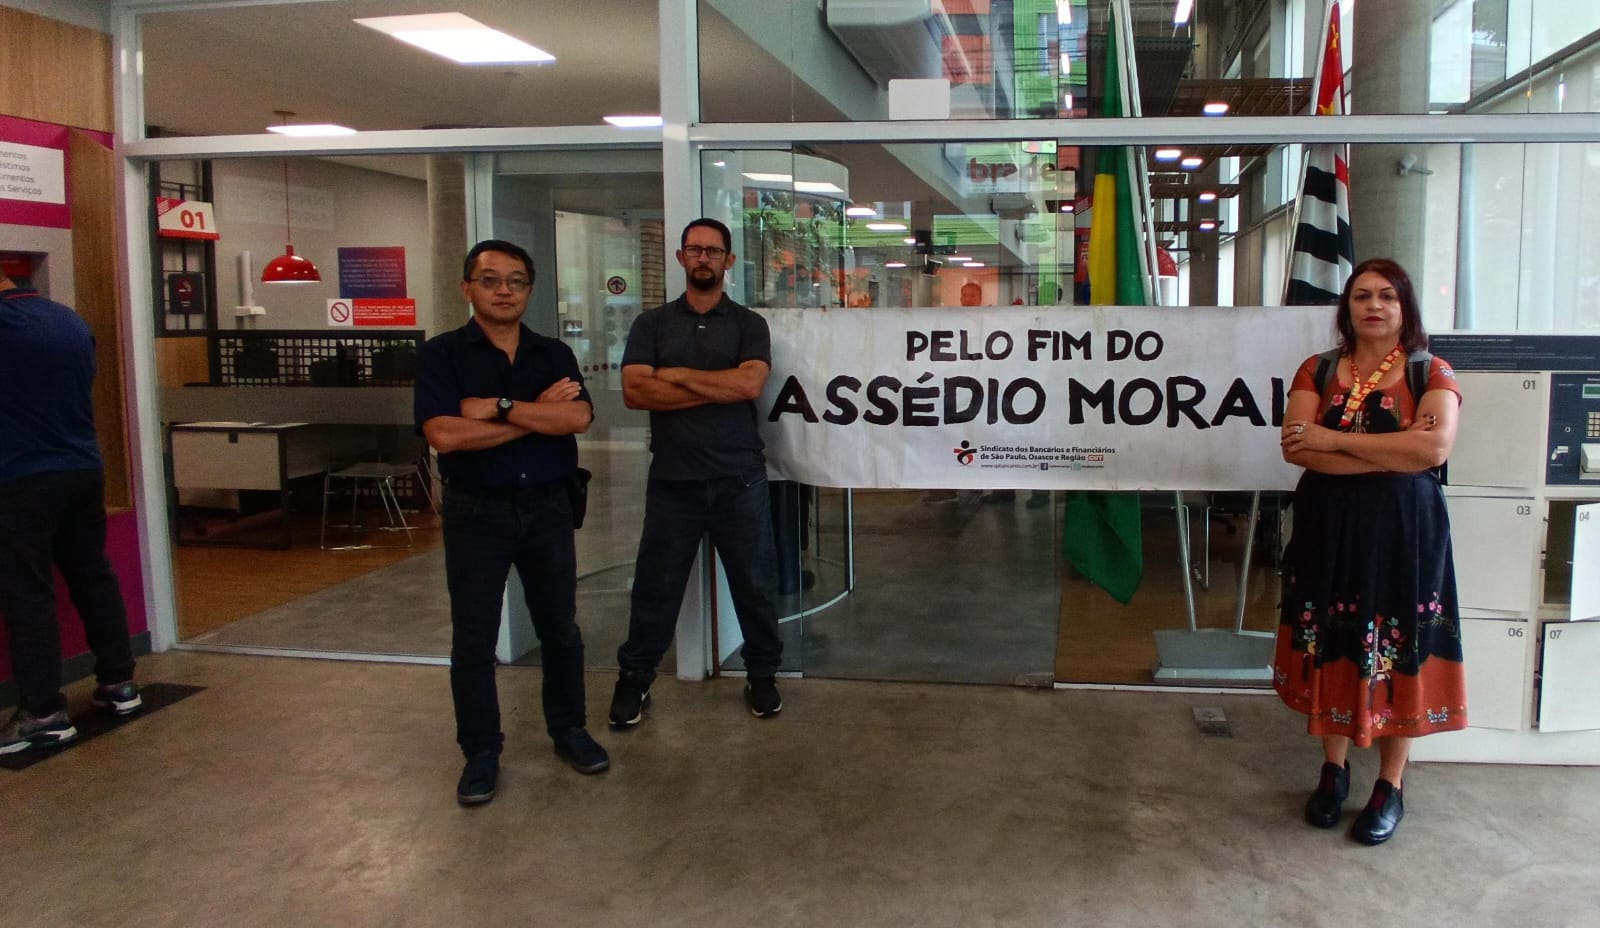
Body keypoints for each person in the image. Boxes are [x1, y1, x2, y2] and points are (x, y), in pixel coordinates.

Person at [1276, 257, 1466, 846]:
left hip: (1405, 533)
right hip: (1328, 526)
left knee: (1396, 642)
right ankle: (1333, 772)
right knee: (1335, 639)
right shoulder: (1319, 368)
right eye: (1361, 296)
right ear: (1347, 307)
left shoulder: (1431, 371)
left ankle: (1390, 785)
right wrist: (1392, 451)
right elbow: (1296, 448)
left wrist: (1337, 441)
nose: (1373, 306)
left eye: (1386, 296)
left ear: (1405, 306)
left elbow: (1432, 450)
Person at [415, 239, 609, 805]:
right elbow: (445, 435)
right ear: (467, 288)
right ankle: (481, 751)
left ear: (529, 289)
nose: (504, 290)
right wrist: (534, 416)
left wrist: (497, 408)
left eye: (516, 281)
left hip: (549, 507)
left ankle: (568, 729)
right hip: (477, 511)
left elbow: (576, 417)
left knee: (561, 628)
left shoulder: (553, 354)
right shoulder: (441, 356)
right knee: (474, 637)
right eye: (491, 279)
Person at [609, 218, 785, 725]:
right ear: (681, 258)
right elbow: (637, 391)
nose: (703, 258)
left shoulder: (750, 324)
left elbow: (749, 386)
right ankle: (635, 680)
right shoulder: (652, 325)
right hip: (673, 481)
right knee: (655, 587)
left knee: (754, 584)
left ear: (729, 261)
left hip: (739, 478)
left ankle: (762, 676)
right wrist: (716, 383)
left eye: (713, 251)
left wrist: (679, 376)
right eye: (695, 250)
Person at [0, 273, 141, 754]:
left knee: (27, 594)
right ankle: (119, 683)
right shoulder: (69, 320)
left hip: (20, 477)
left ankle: (43, 713)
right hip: (83, 469)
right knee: (92, 576)